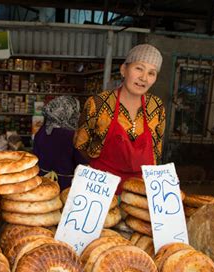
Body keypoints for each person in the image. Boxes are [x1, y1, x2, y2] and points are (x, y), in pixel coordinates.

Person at [74, 44, 165, 193]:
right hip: (101, 189)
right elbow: (80, 144)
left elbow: (156, 151)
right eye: (139, 68)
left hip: (140, 191)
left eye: (151, 73)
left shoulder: (156, 107)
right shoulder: (98, 103)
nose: (144, 78)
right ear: (124, 70)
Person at [34, 96, 87, 190]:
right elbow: (81, 163)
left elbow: (35, 155)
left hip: (43, 182)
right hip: (65, 185)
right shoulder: (73, 135)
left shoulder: (42, 131)